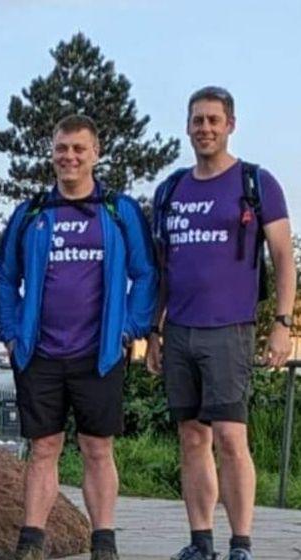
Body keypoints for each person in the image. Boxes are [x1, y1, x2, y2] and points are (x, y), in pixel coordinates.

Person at [0, 115, 157, 560]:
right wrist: (10, 335)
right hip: (40, 352)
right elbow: (5, 277)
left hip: (99, 354)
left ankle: (103, 542)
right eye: (61, 148)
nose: (69, 157)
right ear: (51, 152)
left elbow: (144, 274)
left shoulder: (118, 211)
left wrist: (131, 329)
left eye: (78, 149)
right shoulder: (32, 213)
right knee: (43, 447)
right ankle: (31, 541)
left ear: (95, 153)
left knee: (97, 447)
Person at [146, 86, 295, 560]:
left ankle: (242, 543)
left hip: (231, 328)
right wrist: (154, 330)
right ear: (187, 126)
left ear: (230, 124)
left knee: (231, 437)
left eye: (213, 120)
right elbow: (162, 270)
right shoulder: (171, 190)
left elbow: (283, 258)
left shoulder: (256, 182)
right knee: (192, 438)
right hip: (181, 330)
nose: (205, 128)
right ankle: (200, 541)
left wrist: (281, 322)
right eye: (197, 120)